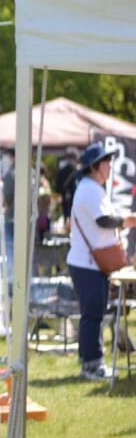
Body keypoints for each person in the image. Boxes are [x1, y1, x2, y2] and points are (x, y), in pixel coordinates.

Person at [67, 142, 136, 381]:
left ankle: (89, 361)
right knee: (93, 315)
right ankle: (93, 365)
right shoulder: (90, 189)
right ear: (94, 166)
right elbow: (104, 220)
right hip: (87, 264)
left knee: (93, 314)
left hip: (89, 263)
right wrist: (127, 221)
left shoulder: (91, 187)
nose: (109, 166)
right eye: (106, 162)